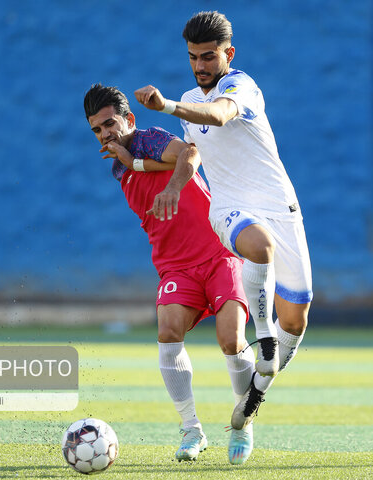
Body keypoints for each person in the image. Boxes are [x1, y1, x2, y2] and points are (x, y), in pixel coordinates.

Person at [134, 10, 313, 433]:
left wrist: (167, 105)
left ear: (228, 54)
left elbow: (217, 116)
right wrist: (167, 180)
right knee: (258, 247)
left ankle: (258, 388)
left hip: (280, 207)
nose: (200, 66)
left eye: (209, 57)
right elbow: (193, 153)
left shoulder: (241, 87)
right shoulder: (188, 99)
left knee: (298, 319)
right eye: (193, 57)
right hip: (230, 207)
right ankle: (264, 336)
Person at [83, 84, 256, 464]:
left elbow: (190, 153)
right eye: (97, 130)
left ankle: (243, 425)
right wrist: (130, 163)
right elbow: (147, 167)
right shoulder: (121, 165)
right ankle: (192, 429)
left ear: (129, 119)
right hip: (175, 266)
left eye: (109, 124)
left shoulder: (149, 139)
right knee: (167, 332)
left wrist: (173, 187)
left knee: (231, 340)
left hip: (217, 253)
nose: (105, 134)